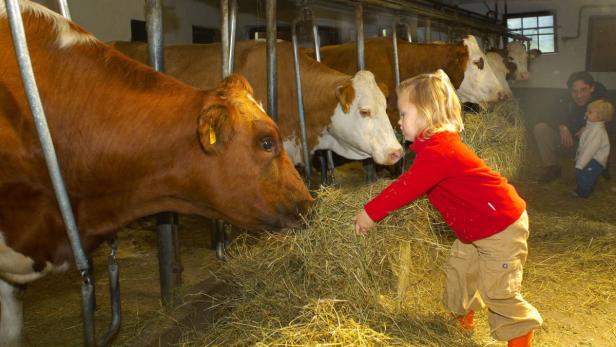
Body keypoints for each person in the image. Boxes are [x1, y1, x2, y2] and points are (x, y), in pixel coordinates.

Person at [353, 69, 542, 346]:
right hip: (475, 228)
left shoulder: (440, 151)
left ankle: (520, 335)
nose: (399, 120)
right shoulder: (433, 147)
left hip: (501, 226)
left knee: (498, 290)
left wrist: (370, 214)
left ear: (427, 113)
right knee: (460, 272)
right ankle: (461, 323)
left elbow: (405, 188)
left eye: (404, 113)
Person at [533, 71, 607, 184]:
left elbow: (609, 123)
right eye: (575, 91)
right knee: (540, 128)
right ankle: (553, 167)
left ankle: (594, 169)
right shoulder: (564, 99)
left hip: (590, 147)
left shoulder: (602, 103)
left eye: (583, 90)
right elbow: (545, 114)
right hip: (568, 142)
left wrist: (589, 129)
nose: (579, 95)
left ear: (592, 88)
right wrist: (561, 126)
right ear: (570, 91)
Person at [573, 100, 614, 197]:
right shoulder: (592, 126)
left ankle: (583, 193)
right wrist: (582, 132)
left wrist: (580, 163)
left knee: (585, 175)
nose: (586, 113)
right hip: (590, 158)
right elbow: (587, 131)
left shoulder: (597, 132)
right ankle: (585, 189)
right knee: (586, 175)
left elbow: (590, 150)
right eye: (587, 111)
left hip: (594, 160)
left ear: (599, 117)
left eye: (590, 112)